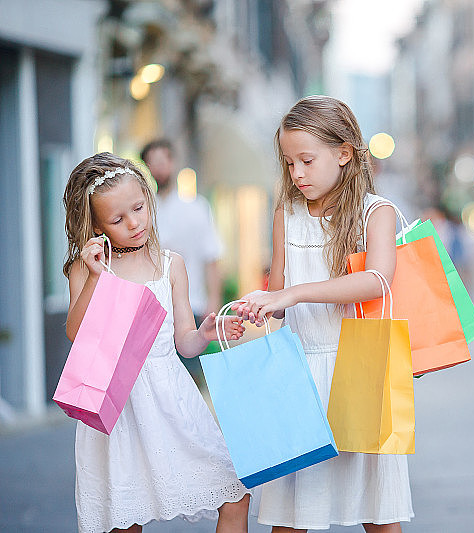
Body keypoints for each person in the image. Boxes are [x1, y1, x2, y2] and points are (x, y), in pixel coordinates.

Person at [233, 95, 413, 532]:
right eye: (288, 162)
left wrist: (293, 295)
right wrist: (254, 308)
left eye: (307, 161)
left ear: (344, 153)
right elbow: (277, 293)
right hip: (298, 372)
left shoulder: (377, 212)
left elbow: (378, 280)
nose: (296, 174)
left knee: (379, 512)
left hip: (361, 365)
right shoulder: (285, 214)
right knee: (291, 515)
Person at [63, 152, 250, 533]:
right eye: (117, 219)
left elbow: (183, 342)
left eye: (138, 207)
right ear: (97, 225)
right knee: (124, 520)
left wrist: (204, 334)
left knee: (234, 492)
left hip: (171, 400)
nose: (134, 223)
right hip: (116, 406)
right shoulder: (90, 267)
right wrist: (97, 278)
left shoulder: (170, 264)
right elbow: (75, 333)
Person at [141, 139, 224, 382]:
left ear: (173, 162)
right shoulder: (143, 210)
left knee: (191, 375)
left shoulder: (196, 207)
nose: (158, 167)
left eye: (162, 160)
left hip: (192, 302)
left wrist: (214, 300)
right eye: (152, 162)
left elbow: (212, 256)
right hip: (152, 307)